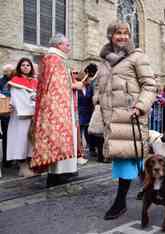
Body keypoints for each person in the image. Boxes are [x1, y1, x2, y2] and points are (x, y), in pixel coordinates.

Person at [94, 21, 157, 220]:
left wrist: (140, 106)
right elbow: (101, 85)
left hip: (131, 116)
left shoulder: (137, 56)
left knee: (126, 158)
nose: (122, 37)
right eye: (118, 33)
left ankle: (120, 202)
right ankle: (153, 189)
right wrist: (97, 97)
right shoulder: (104, 61)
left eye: (126, 33)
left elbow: (150, 85)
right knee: (136, 159)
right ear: (110, 36)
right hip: (111, 118)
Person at [31, 34, 84, 187]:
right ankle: (59, 175)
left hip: (58, 106)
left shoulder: (52, 59)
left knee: (61, 139)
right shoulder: (54, 60)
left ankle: (62, 173)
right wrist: (75, 86)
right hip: (57, 108)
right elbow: (57, 87)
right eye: (67, 44)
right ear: (59, 45)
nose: (69, 47)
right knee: (59, 139)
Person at [6, 58, 38, 177]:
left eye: (28, 65)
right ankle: (22, 167)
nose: (25, 67)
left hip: (33, 116)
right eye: (23, 65)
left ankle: (29, 165)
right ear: (19, 67)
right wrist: (34, 102)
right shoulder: (15, 81)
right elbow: (18, 100)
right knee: (21, 140)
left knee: (30, 141)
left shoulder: (34, 81)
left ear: (31, 68)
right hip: (21, 116)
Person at [0, 64, 14, 168]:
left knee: (11, 136)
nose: (11, 72)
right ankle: (6, 160)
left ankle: (11, 159)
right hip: (5, 111)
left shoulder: (15, 80)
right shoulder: (1, 80)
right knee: (6, 135)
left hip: (13, 111)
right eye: (10, 71)